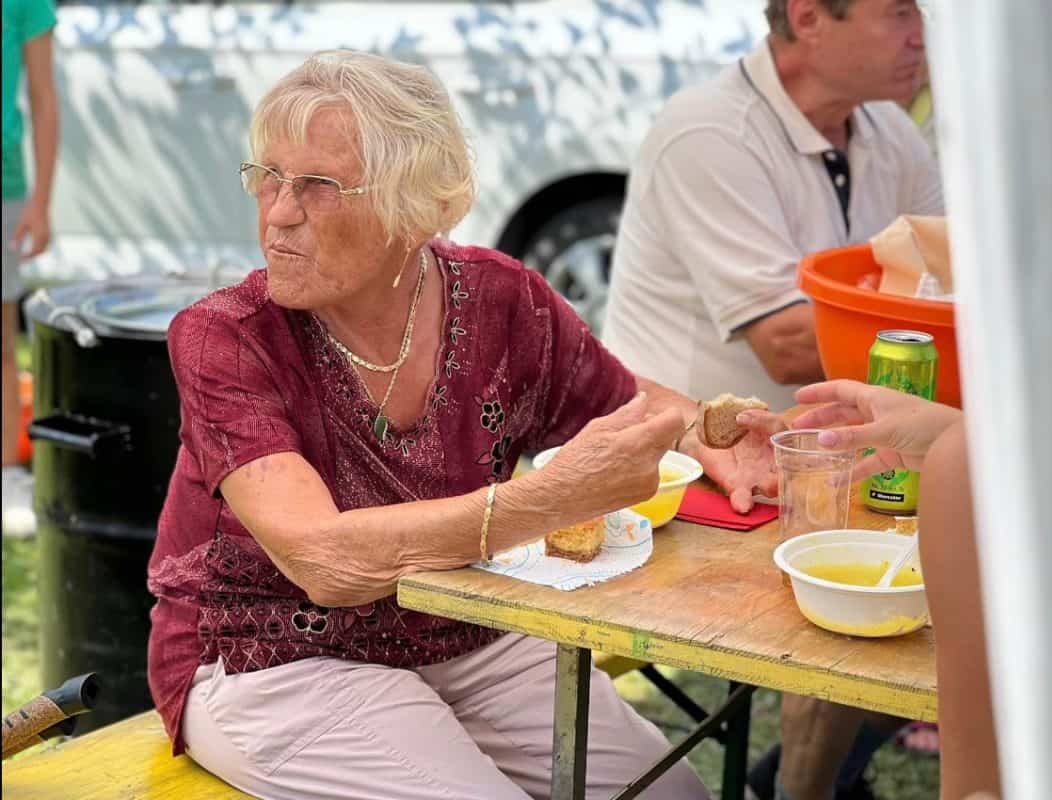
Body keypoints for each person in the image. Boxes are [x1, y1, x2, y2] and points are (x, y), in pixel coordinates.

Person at [147, 50, 783, 800]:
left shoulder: (497, 299)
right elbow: (323, 562)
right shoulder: (228, 336)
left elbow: (616, 400)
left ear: (415, 210)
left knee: (672, 794)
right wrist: (552, 500)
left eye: (319, 185)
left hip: (460, 621)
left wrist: (702, 430)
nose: (279, 212)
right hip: (271, 652)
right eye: (268, 176)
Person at [602, 0, 941, 796]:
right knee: (874, 587)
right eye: (898, 11)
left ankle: (797, 780)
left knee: (973, 576)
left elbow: (946, 286)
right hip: (682, 471)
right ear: (809, 17)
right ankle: (800, 788)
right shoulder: (708, 131)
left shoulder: (891, 131)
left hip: (822, 451)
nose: (922, 34)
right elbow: (785, 345)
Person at [768, 379, 1001, 798]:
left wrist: (959, 447)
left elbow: (975, 791)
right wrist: (956, 434)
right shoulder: (964, 457)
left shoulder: (960, 464)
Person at [1, 0, 58, 469]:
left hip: (5, 187)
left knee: (2, 346)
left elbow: (43, 97)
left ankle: (5, 474)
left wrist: (40, 202)